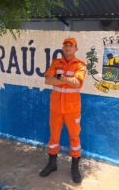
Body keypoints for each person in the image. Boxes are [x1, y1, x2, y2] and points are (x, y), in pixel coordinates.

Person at [40, 37, 86, 183]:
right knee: (54, 138)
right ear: (63, 48)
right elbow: (47, 80)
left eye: (70, 46)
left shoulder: (80, 65)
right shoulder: (56, 62)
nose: (67, 48)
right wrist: (67, 79)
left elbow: (77, 83)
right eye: (65, 46)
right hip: (56, 108)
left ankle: (74, 168)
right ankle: (52, 164)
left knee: (75, 138)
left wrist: (58, 76)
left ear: (75, 48)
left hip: (72, 109)